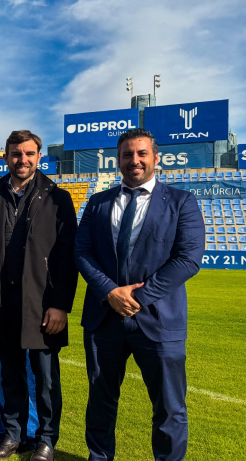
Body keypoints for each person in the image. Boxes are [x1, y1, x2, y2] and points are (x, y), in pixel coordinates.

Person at [75, 128, 205, 461]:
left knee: (169, 407)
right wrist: (109, 292)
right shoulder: (98, 202)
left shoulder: (181, 202)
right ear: (118, 160)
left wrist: (137, 298)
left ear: (155, 158)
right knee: (101, 402)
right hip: (104, 320)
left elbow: (188, 259)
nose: (134, 160)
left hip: (160, 321)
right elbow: (82, 251)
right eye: (127, 154)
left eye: (141, 153)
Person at [0, 130, 78, 461]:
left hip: (43, 307)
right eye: (16, 154)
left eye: (29, 154)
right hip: (3, 305)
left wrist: (61, 305)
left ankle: (46, 440)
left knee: (45, 380)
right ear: (6, 157)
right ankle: (13, 435)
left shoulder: (58, 198)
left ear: (38, 157)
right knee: (11, 375)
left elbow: (67, 258)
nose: (23, 160)